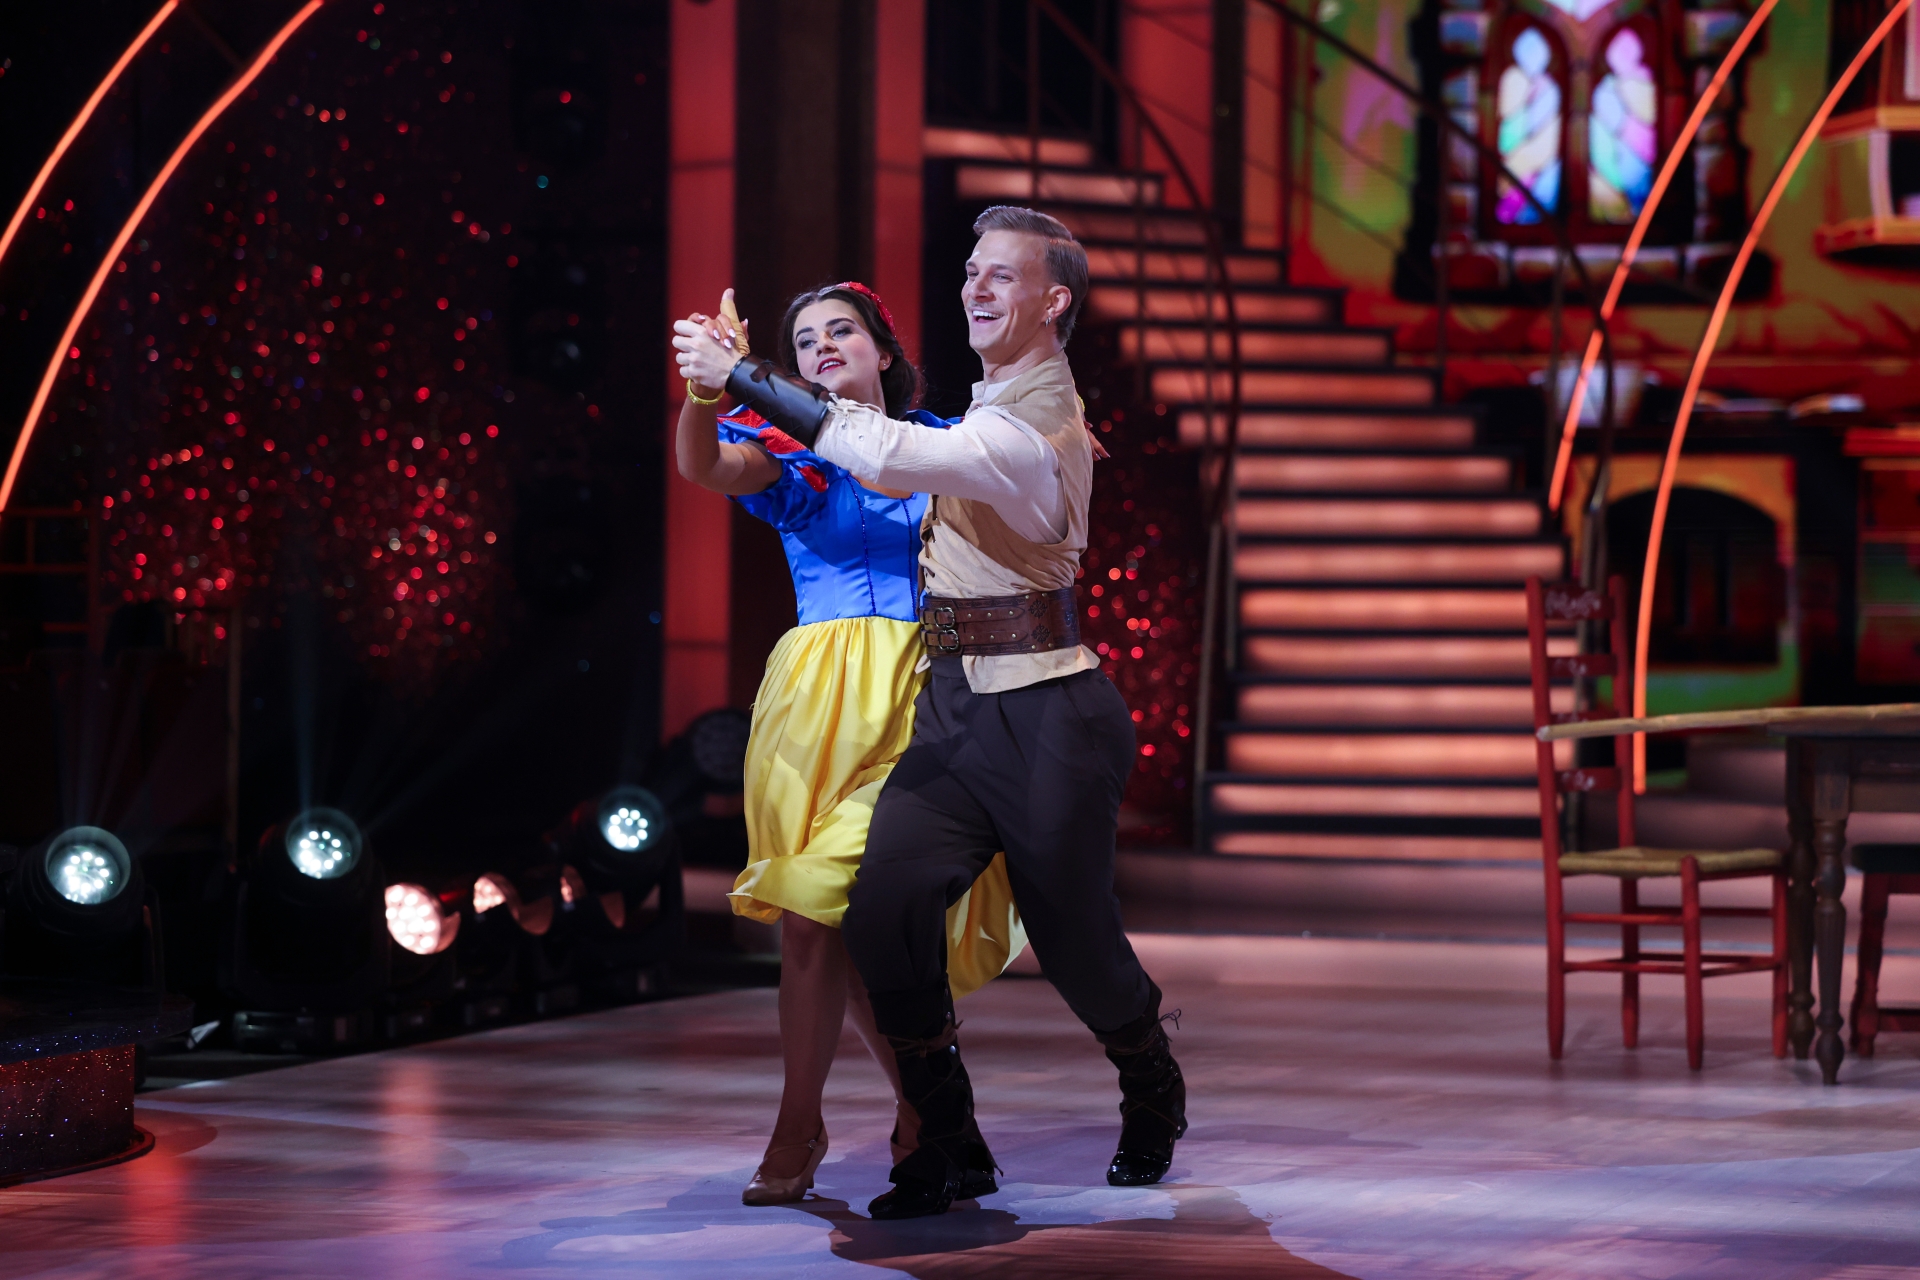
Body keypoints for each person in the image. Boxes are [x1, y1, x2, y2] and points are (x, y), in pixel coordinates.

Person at [693, 207, 1186, 1221]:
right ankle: (943, 1138)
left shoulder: (1016, 430)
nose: (976, 286)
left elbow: (878, 451)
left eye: (1003, 274)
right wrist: (718, 394)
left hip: (1043, 710)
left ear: (1053, 300)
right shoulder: (983, 413)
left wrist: (739, 373)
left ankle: (1150, 1081)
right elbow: (743, 463)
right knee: (877, 906)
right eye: (971, 270)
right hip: (944, 704)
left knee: (1077, 944)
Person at [670, 283, 1025, 1208]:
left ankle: (813, 1123)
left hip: (922, 699)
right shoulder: (789, 453)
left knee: (832, 908)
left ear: (883, 351)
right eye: (803, 340)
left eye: (842, 331)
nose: (823, 345)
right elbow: (704, 466)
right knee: (825, 924)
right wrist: (709, 390)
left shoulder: (942, 443)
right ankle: (915, 1115)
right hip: (814, 712)